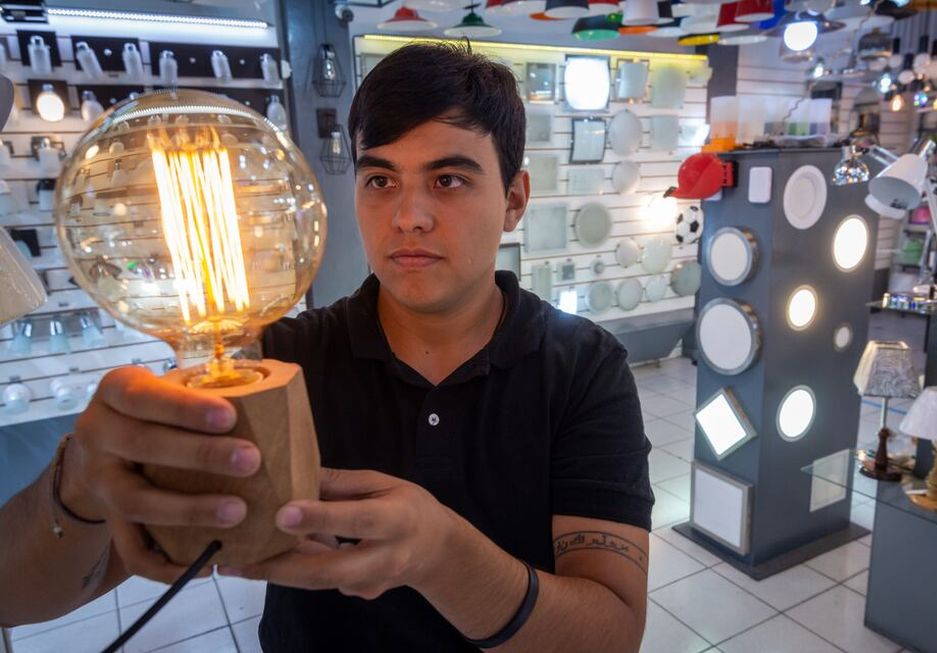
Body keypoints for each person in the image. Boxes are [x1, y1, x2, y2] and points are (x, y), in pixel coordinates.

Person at [0, 42, 653, 652]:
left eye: (448, 180)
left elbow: (612, 631)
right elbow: (18, 597)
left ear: (514, 199)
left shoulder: (585, 368)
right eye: (380, 180)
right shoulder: (277, 364)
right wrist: (78, 485)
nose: (408, 215)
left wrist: (440, 554)